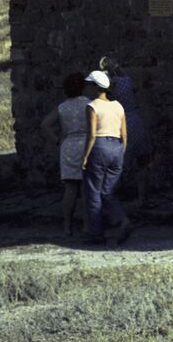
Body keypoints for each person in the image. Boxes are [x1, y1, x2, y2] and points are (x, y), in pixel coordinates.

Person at [80, 70, 130, 246]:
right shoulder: (118, 105)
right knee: (108, 191)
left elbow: (92, 134)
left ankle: (96, 233)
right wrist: (121, 152)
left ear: (95, 87)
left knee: (93, 192)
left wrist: (85, 157)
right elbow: (124, 134)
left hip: (99, 146)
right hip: (116, 147)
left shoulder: (92, 106)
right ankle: (122, 220)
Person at [100, 55, 153, 209]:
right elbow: (134, 89)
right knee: (142, 161)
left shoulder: (109, 85)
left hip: (119, 123)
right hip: (135, 120)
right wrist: (119, 69)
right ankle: (142, 198)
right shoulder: (127, 81)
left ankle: (112, 199)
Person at [40, 72, 89, 237]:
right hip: (85, 146)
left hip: (68, 146)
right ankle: (86, 225)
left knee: (70, 190)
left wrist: (56, 141)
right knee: (86, 189)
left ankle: (67, 226)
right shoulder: (89, 105)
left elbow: (45, 125)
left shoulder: (62, 107)